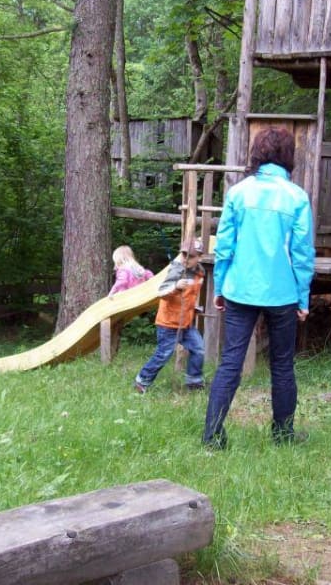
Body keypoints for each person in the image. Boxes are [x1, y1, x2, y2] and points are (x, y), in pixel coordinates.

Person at [202, 127, 315, 449]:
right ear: (287, 157)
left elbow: (225, 245)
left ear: (257, 154)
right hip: (283, 294)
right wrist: (303, 296)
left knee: (230, 362)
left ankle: (212, 436)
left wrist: (221, 286)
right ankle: (283, 434)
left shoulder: (239, 193)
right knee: (282, 364)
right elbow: (303, 253)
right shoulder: (296, 196)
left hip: (240, 289)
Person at [134, 239, 205, 393]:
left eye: (191, 256)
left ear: (200, 257)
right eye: (184, 254)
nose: (186, 259)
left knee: (198, 349)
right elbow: (161, 293)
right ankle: (142, 380)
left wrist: (194, 308)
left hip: (186, 323)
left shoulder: (200, 272)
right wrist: (175, 286)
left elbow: (189, 297)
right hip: (168, 323)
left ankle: (194, 381)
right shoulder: (176, 270)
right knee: (164, 354)